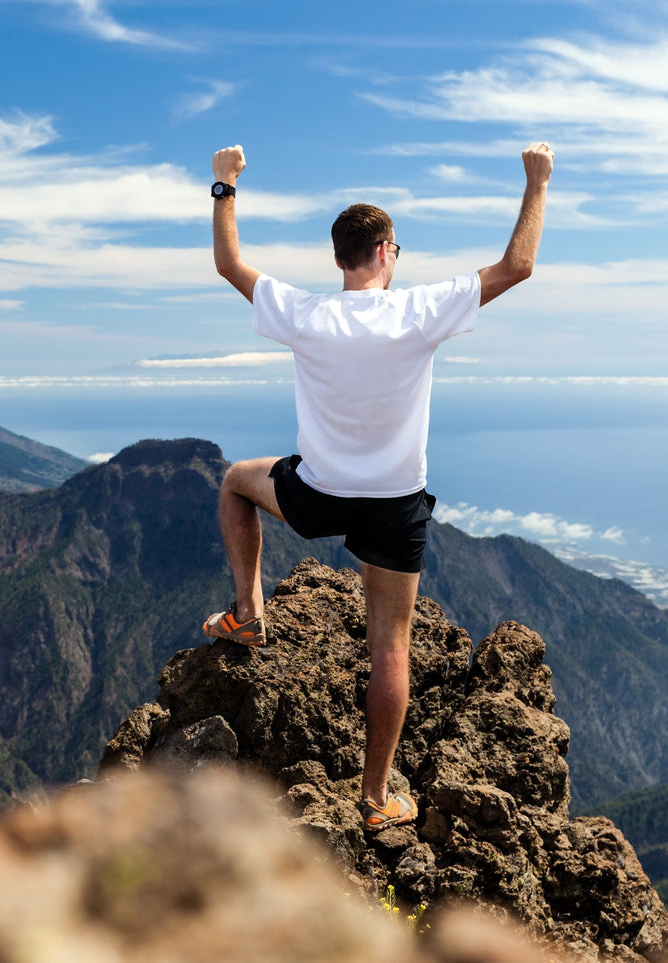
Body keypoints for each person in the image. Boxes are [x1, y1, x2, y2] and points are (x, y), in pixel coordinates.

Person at [203, 141, 554, 831]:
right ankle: (373, 799)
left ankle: (247, 612)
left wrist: (224, 186)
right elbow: (518, 266)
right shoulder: (416, 312)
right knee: (389, 648)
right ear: (386, 251)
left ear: (339, 258)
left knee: (235, 482)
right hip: (394, 505)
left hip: (316, 492)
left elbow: (228, 265)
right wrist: (536, 181)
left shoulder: (305, 313)